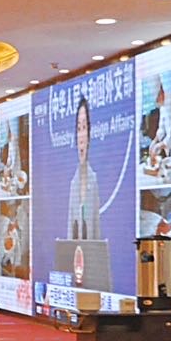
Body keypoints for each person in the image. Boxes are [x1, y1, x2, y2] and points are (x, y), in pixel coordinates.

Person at [66, 95, 102, 240]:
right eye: (78, 128)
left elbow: (97, 233)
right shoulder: (73, 183)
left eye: (84, 128)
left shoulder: (94, 180)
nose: (81, 137)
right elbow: (70, 234)